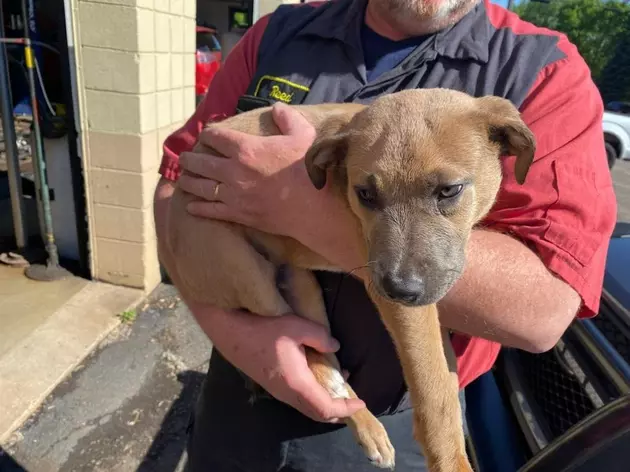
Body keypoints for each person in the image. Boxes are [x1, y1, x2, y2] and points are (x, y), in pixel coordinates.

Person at [153, 0, 617, 469]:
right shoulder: (278, 32)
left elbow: (545, 313)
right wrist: (241, 335)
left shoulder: (540, 69)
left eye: (448, 192)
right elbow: (177, 185)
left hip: (394, 416)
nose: (401, 268)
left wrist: (301, 210)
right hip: (239, 395)